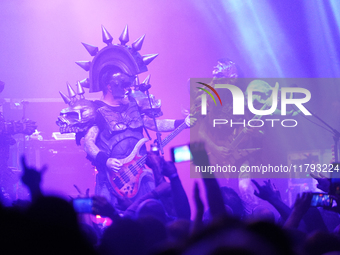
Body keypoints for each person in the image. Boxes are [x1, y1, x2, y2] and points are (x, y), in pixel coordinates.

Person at [56, 26, 195, 209]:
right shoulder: (97, 111)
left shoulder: (134, 105)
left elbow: (154, 124)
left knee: (151, 212)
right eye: (123, 84)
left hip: (142, 174)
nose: (128, 88)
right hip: (113, 178)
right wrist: (105, 160)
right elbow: (89, 143)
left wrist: (182, 123)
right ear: (109, 86)